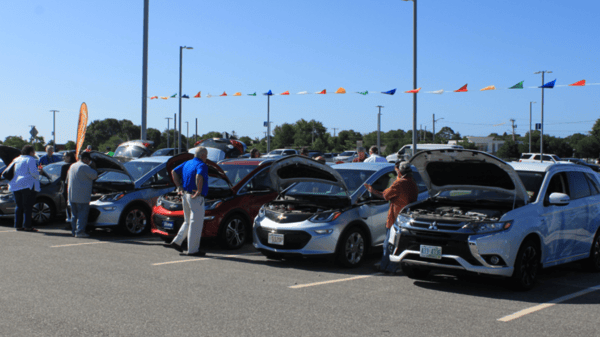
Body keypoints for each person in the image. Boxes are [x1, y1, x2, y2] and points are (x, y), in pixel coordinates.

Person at [364, 161, 418, 274]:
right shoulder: (413, 184)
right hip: (404, 219)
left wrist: (372, 190)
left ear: (400, 171)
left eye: (397, 169)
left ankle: (388, 267)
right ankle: (389, 265)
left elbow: (385, 195)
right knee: (395, 244)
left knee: (390, 244)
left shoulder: (399, 184)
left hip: (395, 218)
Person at [168, 146, 210, 256]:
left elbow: (173, 172)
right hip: (195, 197)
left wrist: (179, 187)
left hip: (185, 195)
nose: (206, 158)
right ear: (202, 155)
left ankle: (177, 242)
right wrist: (199, 190)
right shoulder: (202, 165)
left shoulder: (187, 163)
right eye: (206, 155)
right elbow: (199, 176)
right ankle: (193, 250)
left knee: (187, 221)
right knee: (195, 223)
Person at [8, 145, 41, 232]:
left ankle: (18, 225)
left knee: (19, 206)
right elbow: (34, 173)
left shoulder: (16, 159)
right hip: (26, 185)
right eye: (33, 151)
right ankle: (27, 226)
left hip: (15, 184)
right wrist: (39, 173)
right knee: (28, 206)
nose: (34, 153)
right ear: (30, 152)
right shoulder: (30, 159)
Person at [67, 152, 98, 238]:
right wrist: (93, 166)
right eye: (89, 161)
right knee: (82, 215)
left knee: (74, 215)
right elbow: (95, 175)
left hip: (72, 195)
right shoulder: (84, 167)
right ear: (86, 159)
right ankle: (80, 231)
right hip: (82, 195)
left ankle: (74, 231)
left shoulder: (72, 166)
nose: (89, 162)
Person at [60, 151, 76, 229]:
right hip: (76, 189)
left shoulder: (65, 167)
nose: (63, 158)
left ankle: (70, 222)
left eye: (65, 157)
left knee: (68, 206)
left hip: (67, 189)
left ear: (69, 157)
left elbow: (62, 179)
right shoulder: (76, 165)